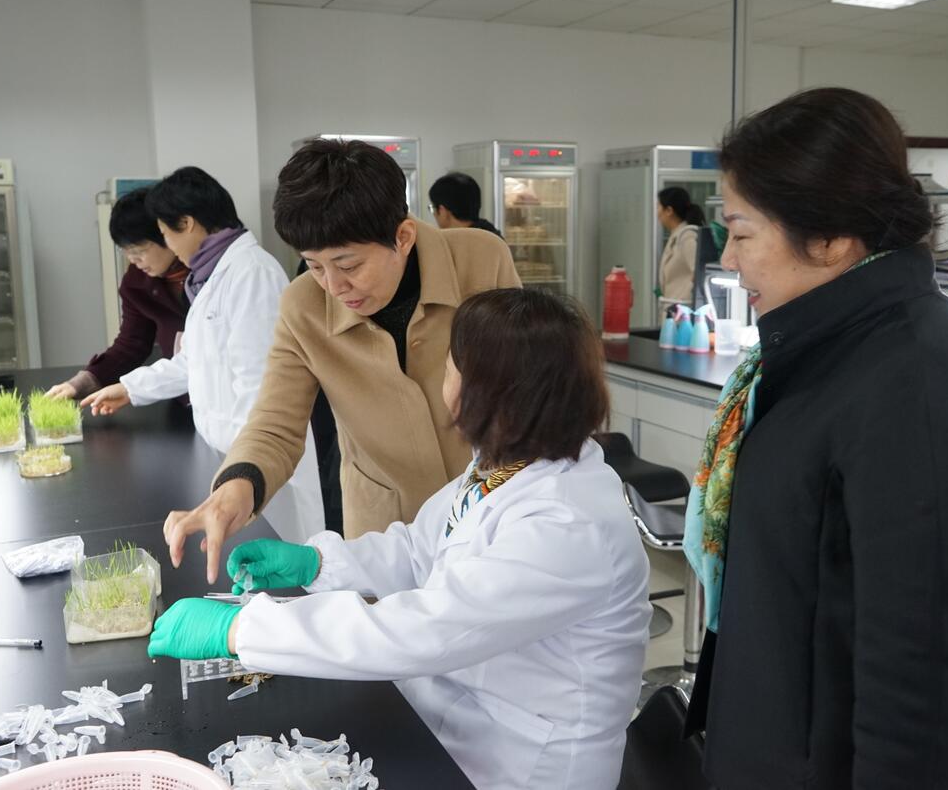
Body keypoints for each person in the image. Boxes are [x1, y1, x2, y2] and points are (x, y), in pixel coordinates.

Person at [684, 87, 948, 789]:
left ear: (830, 237)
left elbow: (927, 687)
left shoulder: (917, 385)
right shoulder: (826, 349)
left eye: (742, 234)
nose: (727, 260)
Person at [147, 287, 652, 790]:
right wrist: (317, 563)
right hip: (457, 719)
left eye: (450, 365)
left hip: (521, 764)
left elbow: (427, 628)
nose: (442, 378)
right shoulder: (507, 466)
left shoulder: (567, 525)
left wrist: (242, 630)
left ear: (487, 393)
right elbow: (418, 548)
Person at [161, 140, 520, 584]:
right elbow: (275, 423)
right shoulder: (303, 306)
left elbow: (525, 381)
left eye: (347, 265)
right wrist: (236, 487)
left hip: (493, 506)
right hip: (384, 528)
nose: (333, 285)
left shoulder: (481, 260)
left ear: (403, 237)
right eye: (314, 266)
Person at [81, 166, 324, 542]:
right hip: (230, 458)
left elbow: (261, 387)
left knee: (277, 563)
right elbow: (193, 362)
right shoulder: (210, 278)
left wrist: (243, 471)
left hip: (259, 468)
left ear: (188, 223)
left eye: (165, 233)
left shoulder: (252, 274)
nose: (167, 244)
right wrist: (130, 388)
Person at [45, 187, 188, 401]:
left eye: (139, 250)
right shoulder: (137, 282)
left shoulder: (208, 274)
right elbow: (131, 344)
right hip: (179, 395)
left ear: (167, 234)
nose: (134, 260)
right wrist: (82, 382)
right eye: (126, 251)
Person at [655, 186, 704, 305]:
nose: (657, 212)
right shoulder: (677, 235)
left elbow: (700, 273)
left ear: (669, 210)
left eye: (658, 206)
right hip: (674, 308)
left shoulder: (687, 236)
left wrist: (684, 298)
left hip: (682, 309)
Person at [428, 171, 503, 240]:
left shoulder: (458, 245)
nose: (434, 215)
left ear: (442, 211)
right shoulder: (493, 238)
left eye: (433, 208)